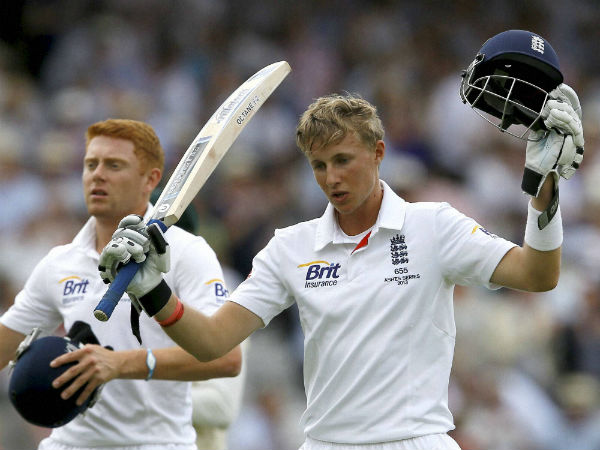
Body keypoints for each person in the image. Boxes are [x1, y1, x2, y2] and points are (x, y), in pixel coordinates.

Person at [96, 35, 585, 450]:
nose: (331, 178)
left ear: (378, 153)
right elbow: (211, 342)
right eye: (319, 165)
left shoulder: (433, 225)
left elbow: (538, 275)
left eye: (344, 161)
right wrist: (154, 292)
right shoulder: (290, 247)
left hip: (417, 440)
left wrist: (544, 192)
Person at [0, 118, 243, 450]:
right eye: (91, 164)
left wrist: (120, 364)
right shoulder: (60, 262)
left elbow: (226, 359)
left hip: (156, 443)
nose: (97, 175)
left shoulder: (187, 252)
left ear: (150, 179)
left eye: (114, 165)